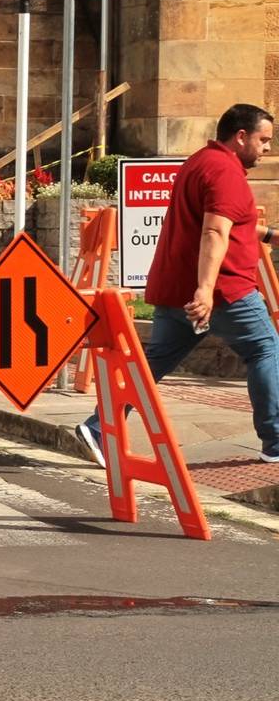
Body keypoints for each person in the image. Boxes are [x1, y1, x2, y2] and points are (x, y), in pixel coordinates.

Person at [76, 102, 279, 466]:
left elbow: (229, 223)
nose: (267, 149)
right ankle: (276, 442)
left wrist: (270, 235)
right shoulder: (227, 173)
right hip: (223, 291)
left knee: (153, 363)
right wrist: (205, 289)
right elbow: (215, 231)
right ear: (241, 136)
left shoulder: (200, 161)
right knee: (266, 350)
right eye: (264, 141)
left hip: (176, 289)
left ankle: (98, 427)